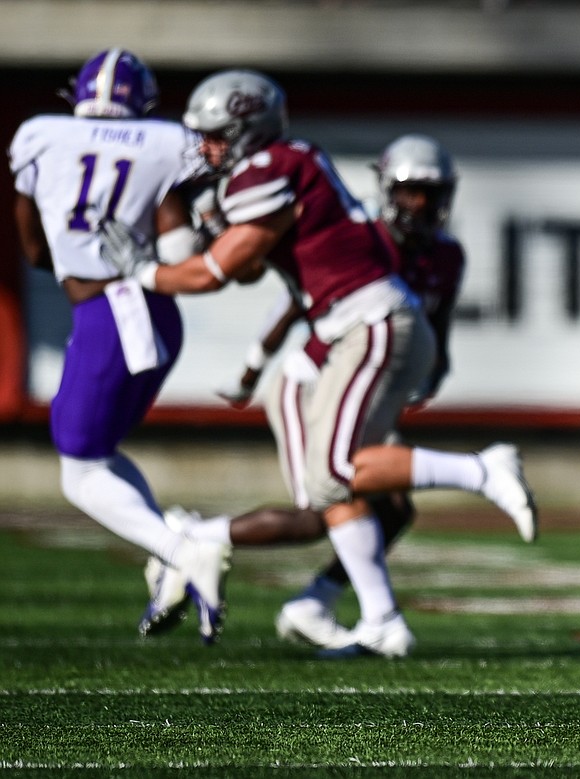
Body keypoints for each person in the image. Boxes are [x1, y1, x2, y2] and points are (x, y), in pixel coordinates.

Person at [98, 69, 536, 658]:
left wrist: (143, 270)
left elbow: (216, 272)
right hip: (348, 337)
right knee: (345, 492)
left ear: (248, 129)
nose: (207, 149)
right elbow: (252, 269)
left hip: (366, 327)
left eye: (217, 136)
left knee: (332, 483)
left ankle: (483, 471)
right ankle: (372, 616)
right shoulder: (283, 166)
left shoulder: (269, 169)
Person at [197, 133, 528, 651]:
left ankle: (320, 603)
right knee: (323, 504)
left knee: (392, 508)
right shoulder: (365, 238)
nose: (419, 204)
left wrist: (430, 371)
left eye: (430, 193)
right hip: (312, 379)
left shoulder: (447, 256)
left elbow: (436, 326)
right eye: (409, 192)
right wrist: (250, 368)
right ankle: (194, 538)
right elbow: (294, 302)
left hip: (368, 377)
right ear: (386, 190)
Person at [7, 48, 231, 645]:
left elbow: (32, 252)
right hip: (155, 312)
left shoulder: (39, 134)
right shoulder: (164, 142)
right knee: (96, 454)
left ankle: (183, 548)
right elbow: (182, 248)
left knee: (78, 473)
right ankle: (171, 550)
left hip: (111, 314)